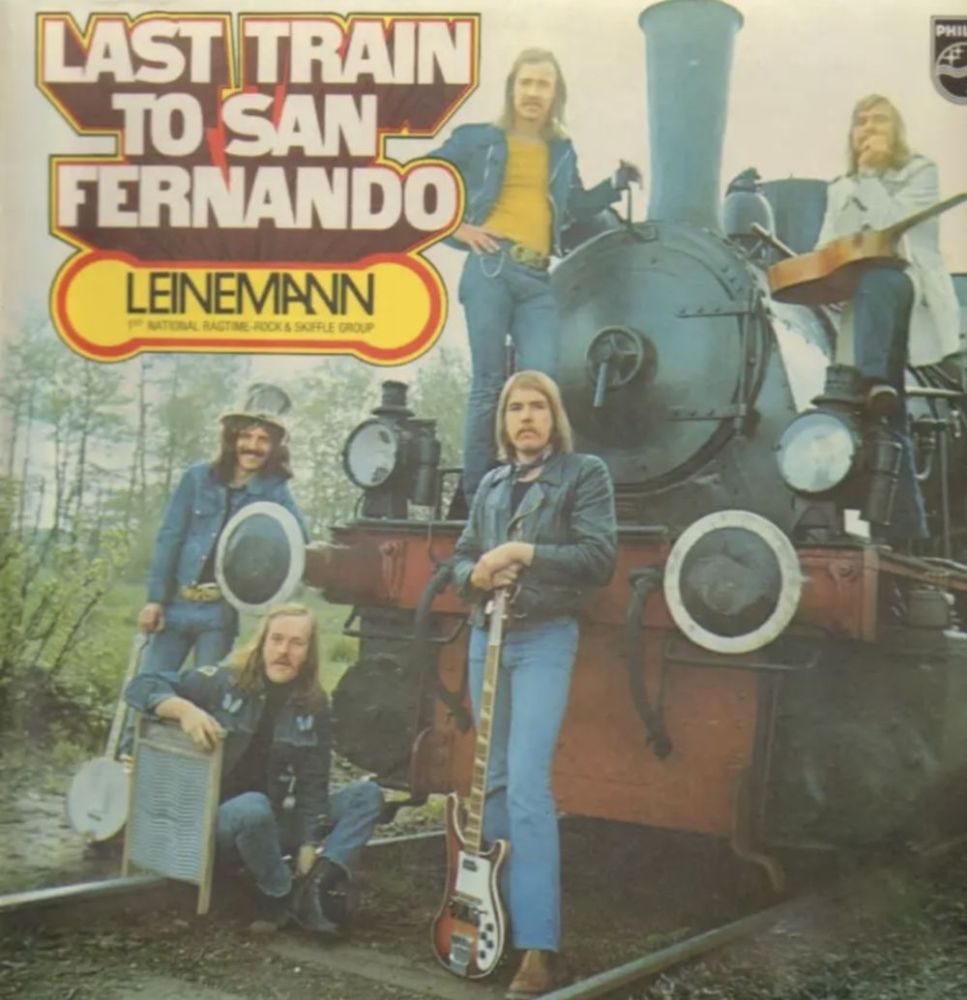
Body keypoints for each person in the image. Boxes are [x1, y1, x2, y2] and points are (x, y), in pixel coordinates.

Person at [451, 371, 617, 998]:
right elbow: (463, 555)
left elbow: (598, 557)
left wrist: (521, 554)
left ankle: (538, 948)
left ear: (554, 418)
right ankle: (489, 919)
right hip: (486, 637)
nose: (526, 417)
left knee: (525, 785)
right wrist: (474, 575)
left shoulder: (584, 474)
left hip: (544, 638)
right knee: (489, 781)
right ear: (503, 422)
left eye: (537, 407)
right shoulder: (492, 483)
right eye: (515, 408)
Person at [429, 48, 640, 504]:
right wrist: (456, 229)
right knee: (489, 383)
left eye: (543, 84)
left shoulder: (560, 150)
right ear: (512, 89)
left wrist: (614, 185)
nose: (533, 92)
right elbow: (414, 185)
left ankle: (536, 492)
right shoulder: (476, 139)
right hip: (491, 265)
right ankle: (478, 497)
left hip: (538, 278)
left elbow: (575, 206)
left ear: (555, 95)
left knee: (543, 385)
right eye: (525, 82)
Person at [125, 603, 384, 935]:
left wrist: (309, 845)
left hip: (271, 822)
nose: (284, 651)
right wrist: (184, 711)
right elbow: (141, 685)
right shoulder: (224, 681)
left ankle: (316, 888)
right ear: (262, 642)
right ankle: (279, 893)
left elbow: (314, 784)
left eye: (296, 643)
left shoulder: (314, 704)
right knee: (252, 807)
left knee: (367, 795)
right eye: (276, 639)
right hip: (217, 825)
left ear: (309, 652)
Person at [817, 94, 961, 543]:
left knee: (881, 276)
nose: (868, 129)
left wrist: (871, 177)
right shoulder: (839, 187)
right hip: (864, 315)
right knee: (887, 426)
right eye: (860, 122)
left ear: (897, 129)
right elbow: (829, 248)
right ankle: (905, 529)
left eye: (879, 120)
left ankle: (876, 379)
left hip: (909, 292)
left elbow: (889, 232)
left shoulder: (920, 172)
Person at [137, 384, 308, 679]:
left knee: (208, 692)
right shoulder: (196, 478)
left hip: (219, 615)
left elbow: (299, 545)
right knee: (149, 686)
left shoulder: (275, 492)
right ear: (232, 439)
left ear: (275, 447)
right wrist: (155, 600)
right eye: (246, 436)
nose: (253, 446)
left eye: (263, 440)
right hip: (175, 606)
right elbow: (170, 538)